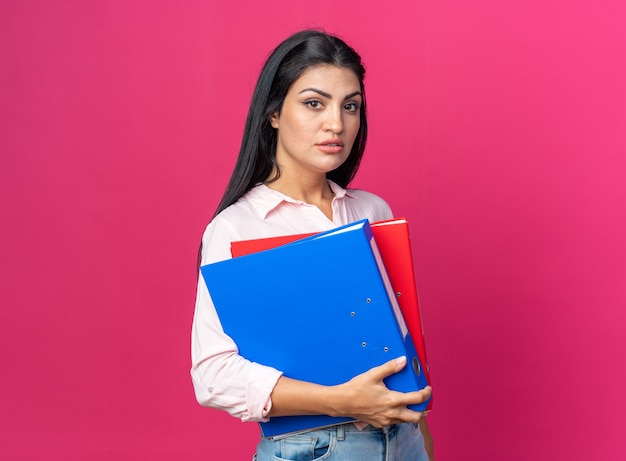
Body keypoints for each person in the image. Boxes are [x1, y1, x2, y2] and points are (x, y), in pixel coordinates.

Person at [191, 29, 434, 460]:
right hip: (316, 448)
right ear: (274, 113)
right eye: (314, 103)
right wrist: (341, 401)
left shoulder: (371, 212)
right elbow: (213, 374)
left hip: (404, 440)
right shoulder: (237, 227)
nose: (336, 124)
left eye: (351, 106)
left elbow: (400, 346)